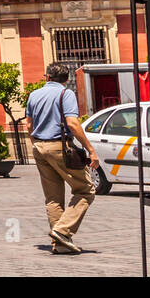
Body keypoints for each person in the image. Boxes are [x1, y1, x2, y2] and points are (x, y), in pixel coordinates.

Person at [25, 62, 99, 255]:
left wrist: (37, 144)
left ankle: (60, 244)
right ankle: (62, 231)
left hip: (39, 147)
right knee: (86, 190)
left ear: (47, 77)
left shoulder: (33, 95)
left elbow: (28, 125)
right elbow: (73, 124)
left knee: (53, 198)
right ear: (66, 80)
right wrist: (91, 150)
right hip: (60, 147)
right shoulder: (65, 94)